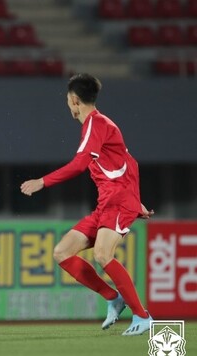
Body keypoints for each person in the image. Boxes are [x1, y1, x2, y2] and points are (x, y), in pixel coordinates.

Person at [20, 73, 154, 336]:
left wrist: (42, 182)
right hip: (108, 203)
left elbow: (80, 164)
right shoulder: (98, 126)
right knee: (62, 252)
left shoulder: (96, 124)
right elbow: (130, 163)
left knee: (103, 254)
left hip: (118, 202)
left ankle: (143, 315)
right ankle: (113, 298)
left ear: (73, 100)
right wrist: (137, 202)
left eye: (68, 101)